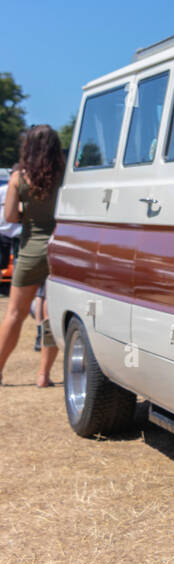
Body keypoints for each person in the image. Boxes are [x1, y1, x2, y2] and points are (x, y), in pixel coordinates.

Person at [0, 125, 65, 387]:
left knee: (14, 313)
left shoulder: (18, 178)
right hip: (58, 249)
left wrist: (28, 213)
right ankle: (43, 375)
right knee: (49, 315)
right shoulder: (64, 176)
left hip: (29, 250)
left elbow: (10, 217)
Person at [0, 168, 22, 279]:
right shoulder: (3, 190)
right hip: (4, 231)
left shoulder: (24, 191)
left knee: (18, 262)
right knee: (3, 262)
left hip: (18, 233)